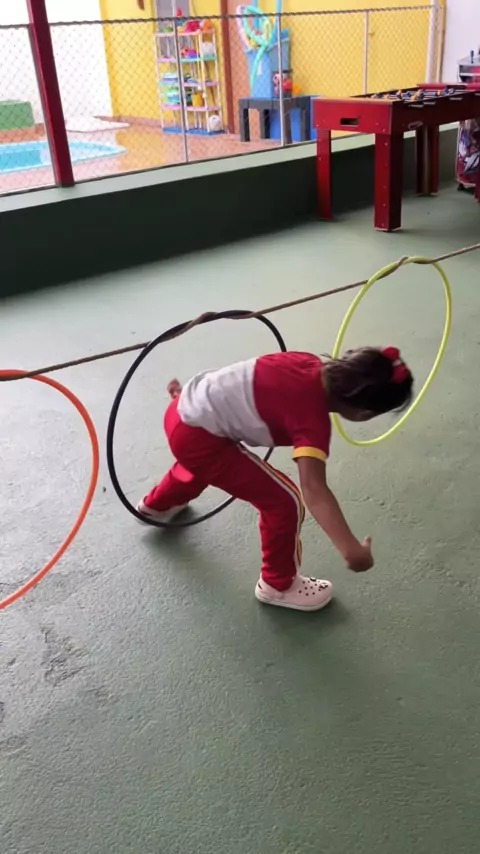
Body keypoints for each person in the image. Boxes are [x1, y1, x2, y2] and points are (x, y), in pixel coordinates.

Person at [137, 347, 413, 612]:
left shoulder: (305, 361)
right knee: (284, 502)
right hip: (198, 435)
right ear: (365, 414)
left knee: (206, 464)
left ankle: (156, 506)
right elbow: (314, 489)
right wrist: (350, 549)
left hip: (183, 408)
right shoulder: (312, 418)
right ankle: (277, 584)